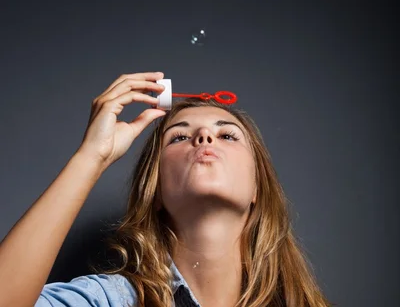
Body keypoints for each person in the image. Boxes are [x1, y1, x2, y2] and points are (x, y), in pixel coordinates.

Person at [0, 71, 334, 307]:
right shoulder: (112, 301)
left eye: (227, 135)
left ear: (256, 189)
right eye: (179, 136)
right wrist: (92, 157)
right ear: (155, 190)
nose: (203, 138)